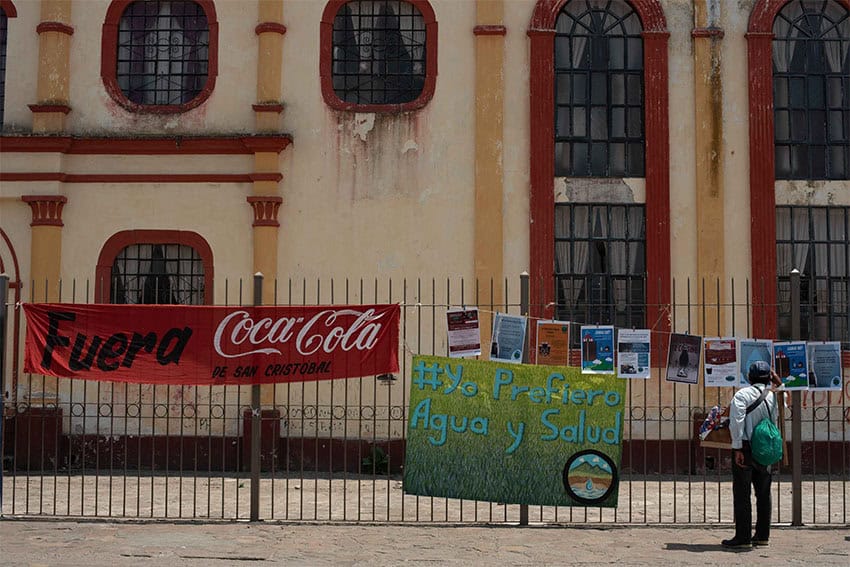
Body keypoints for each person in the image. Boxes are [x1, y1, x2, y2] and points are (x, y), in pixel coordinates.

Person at [722, 360, 781, 549]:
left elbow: (736, 422)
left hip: (746, 448)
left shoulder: (742, 395)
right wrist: (776, 380)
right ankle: (763, 535)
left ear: (749, 377)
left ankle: (743, 537)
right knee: (764, 493)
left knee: (742, 493)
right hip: (765, 448)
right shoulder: (773, 397)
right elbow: (777, 413)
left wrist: (737, 447)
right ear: (768, 377)